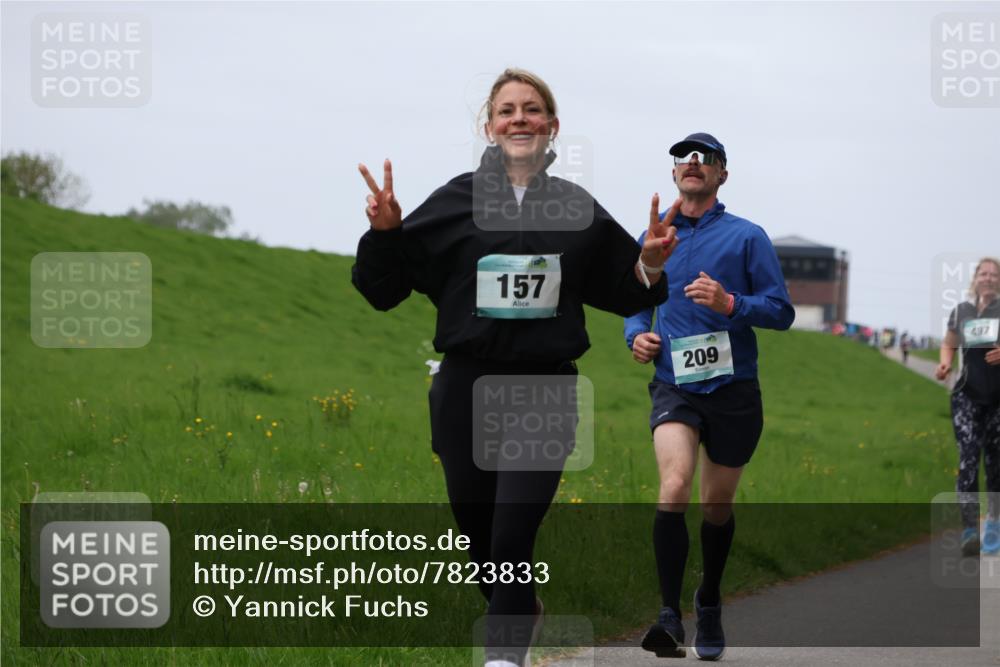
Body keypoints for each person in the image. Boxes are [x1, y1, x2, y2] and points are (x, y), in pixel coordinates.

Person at [352, 68, 679, 667]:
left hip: (543, 389)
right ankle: (521, 610)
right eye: (507, 110)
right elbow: (383, 290)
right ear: (490, 126)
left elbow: (626, 291)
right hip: (463, 388)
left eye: (532, 109)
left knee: (511, 535)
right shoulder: (455, 201)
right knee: (478, 541)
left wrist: (650, 266)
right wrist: (386, 234)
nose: (519, 118)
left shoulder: (575, 206)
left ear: (552, 127)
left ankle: (502, 658)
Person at [624, 133, 794, 661]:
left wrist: (730, 302)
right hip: (675, 384)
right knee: (674, 486)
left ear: (722, 175)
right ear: (675, 175)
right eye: (684, 158)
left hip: (734, 388)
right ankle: (669, 616)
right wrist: (636, 335)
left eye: (707, 158)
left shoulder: (748, 237)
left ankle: (711, 600)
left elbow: (781, 311)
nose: (693, 164)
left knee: (715, 504)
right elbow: (633, 300)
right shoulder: (654, 236)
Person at [935, 257, 1000, 557]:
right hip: (967, 396)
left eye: (993, 273)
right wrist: (946, 363)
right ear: (975, 278)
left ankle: (995, 525)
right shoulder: (962, 311)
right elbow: (949, 342)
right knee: (968, 461)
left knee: (996, 467)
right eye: (982, 273)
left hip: (998, 400)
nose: (987, 277)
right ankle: (970, 529)